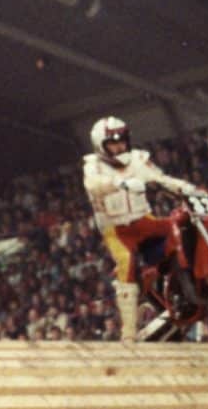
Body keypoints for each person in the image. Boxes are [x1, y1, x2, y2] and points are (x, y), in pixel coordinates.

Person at [81, 116, 200, 341]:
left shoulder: (137, 159)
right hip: (117, 230)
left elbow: (160, 178)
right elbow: (93, 185)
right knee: (126, 262)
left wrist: (186, 188)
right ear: (100, 145)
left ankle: (184, 281)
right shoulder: (93, 165)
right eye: (113, 143)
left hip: (144, 221)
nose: (119, 146)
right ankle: (128, 332)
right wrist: (119, 183)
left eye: (122, 141)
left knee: (179, 227)